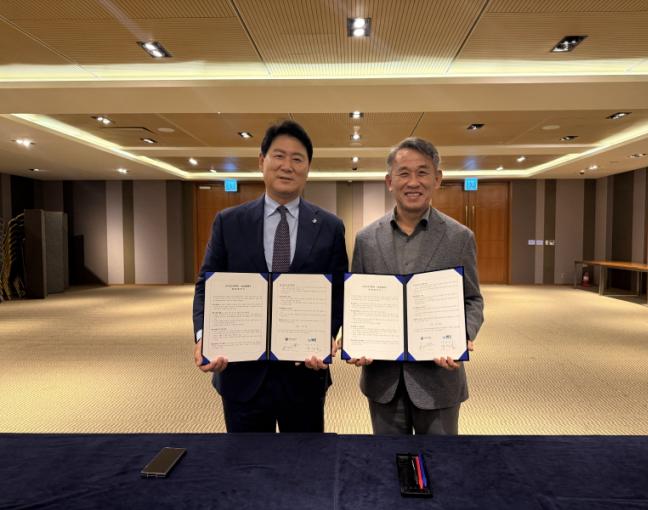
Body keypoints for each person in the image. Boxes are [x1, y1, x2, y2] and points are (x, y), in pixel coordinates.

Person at [192, 120, 348, 433]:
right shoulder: (228, 222)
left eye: (297, 158)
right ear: (262, 161)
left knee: (304, 459)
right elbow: (207, 286)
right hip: (242, 373)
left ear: (308, 168)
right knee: (246, 460)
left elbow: (338, 292)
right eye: (279, 156)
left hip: (304, 374)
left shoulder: (330, 227)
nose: (287, 166)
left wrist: (325, 336)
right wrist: (204, 336)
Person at [349, 137, 483, 435]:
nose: (413, 182)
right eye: (404, 173)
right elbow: (358, 302)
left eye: (422, 172)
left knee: (439, 460)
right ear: (390, 181)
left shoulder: (459, 237)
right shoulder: (366, 239)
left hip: (439, 379)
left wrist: (462, 334)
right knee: (388, 459)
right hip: (383, 380)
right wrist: (357, 341)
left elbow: (472, 299)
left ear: (437, 179)